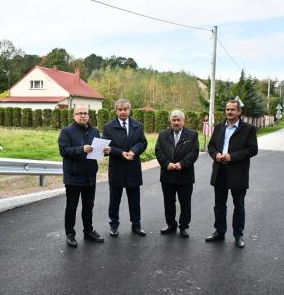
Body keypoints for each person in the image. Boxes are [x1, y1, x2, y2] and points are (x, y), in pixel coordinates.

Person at [205, 99, 258, 248]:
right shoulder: (218, 127)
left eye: (233, 110)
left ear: (239, 112)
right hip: (220, 171)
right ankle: (219, 232)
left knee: (238, 205)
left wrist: (232, 157)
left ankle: (238, 235)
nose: (229, 112)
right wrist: (216, 155)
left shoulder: (248, 129)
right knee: (219, 205)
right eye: (227, 109)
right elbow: (211, 146)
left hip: (238, 173)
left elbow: (252, 150)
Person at [58, 106, 105, 248]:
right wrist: (81, 149)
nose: (83, 116)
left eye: (85, 113)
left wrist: (105, 151)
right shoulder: (66, 131)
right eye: (80, 113)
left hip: (90, 175)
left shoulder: (94, 131)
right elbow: (63, 151)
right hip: (73, 176)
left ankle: (88, 231)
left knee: (88, 206)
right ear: (74, 116)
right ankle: (70, 234)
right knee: (71, 207)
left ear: (89, 116)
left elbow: (97, 152)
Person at [103, 99, 148, 237]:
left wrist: (134, 151)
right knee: (114, 200)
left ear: (130, 110)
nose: (123, 112)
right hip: (117, 167)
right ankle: (114, 225)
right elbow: (106, 147)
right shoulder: (108, 127)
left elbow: (143, 142)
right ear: (116, 111)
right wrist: (121, 153)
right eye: (120, 109)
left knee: (134, 200)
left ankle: (136, 225)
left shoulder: (138, 125)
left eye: (125, 109)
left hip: (133, 167)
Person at [155, 110, 199, 238]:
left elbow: (194, 152)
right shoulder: (163, 134)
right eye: (173, 120)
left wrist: (182, 164)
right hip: (167, 174)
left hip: (185, 175)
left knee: (185, 203)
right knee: (168, 202)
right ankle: (171, 224)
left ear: (183, 121)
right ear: (170, 121)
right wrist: (166, 163)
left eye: (178, 120)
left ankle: (184, 227)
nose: (176, 122)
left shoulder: (192, 134)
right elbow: (158, 151)